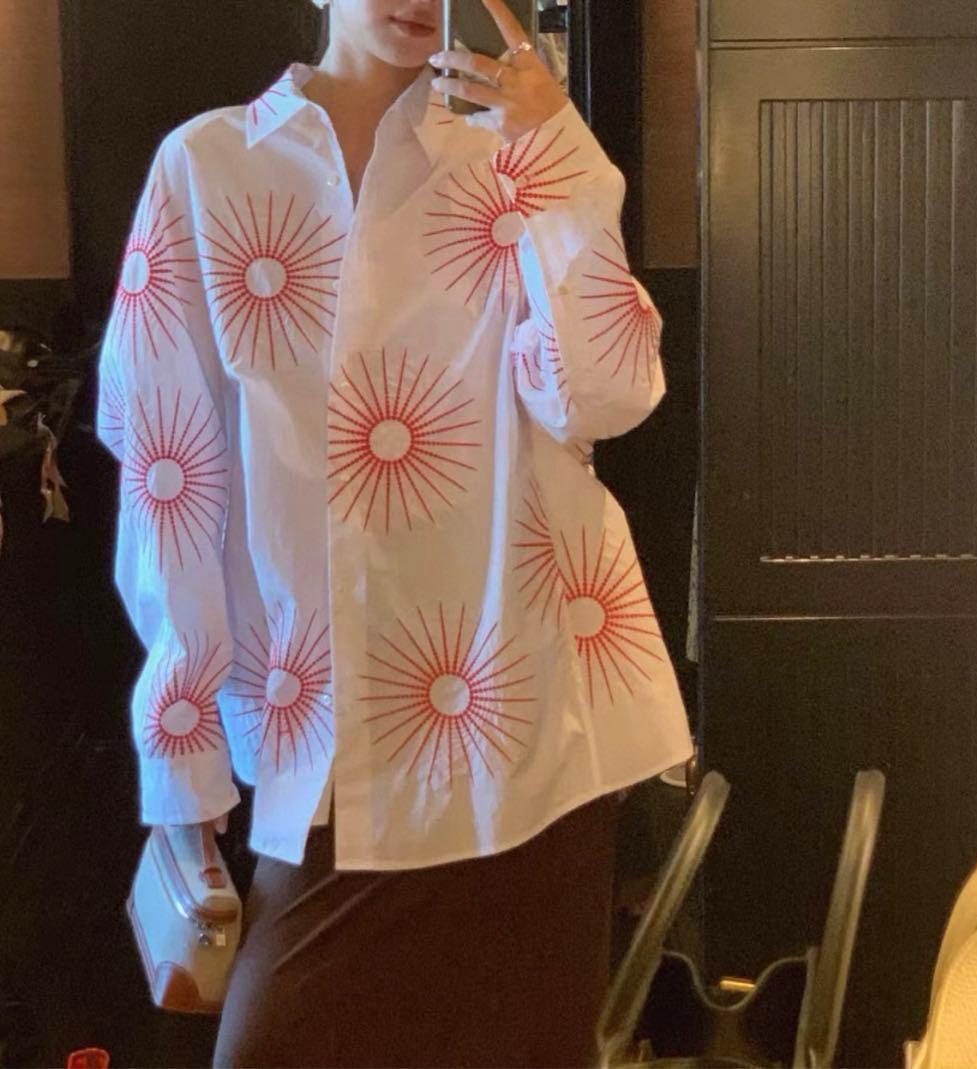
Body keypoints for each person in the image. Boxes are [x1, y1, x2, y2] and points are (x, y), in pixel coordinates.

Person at [95, 0, 693, 1064]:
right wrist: (181, 751)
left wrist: (555, 152)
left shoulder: (512, 156)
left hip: (537, 717)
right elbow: (167, 471)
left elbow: (605, 395)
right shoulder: (209, 166)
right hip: (328, 731)